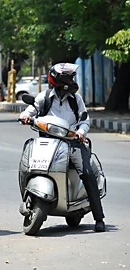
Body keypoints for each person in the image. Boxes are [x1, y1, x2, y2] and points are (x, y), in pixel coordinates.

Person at [20, 63, 105, 232]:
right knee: (27, 164)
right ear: (60, 80)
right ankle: (28, 197)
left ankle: (99, 217)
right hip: (48, 140)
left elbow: (84, 120)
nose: (72, 80)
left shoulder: (76, 99)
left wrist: (81, 131)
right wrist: (25, 116)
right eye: (69, 77)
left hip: (72, 142)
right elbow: (31, 109)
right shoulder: (44, 97)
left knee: (86, 173)